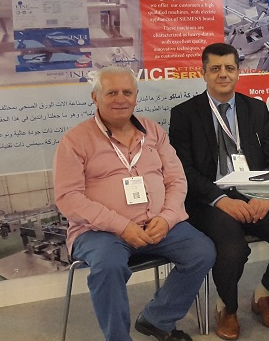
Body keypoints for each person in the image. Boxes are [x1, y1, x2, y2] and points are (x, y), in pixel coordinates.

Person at [53, 66, 216, 341]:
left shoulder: (153, 131)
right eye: (112, 93)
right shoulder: (75, 140)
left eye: (127, 92)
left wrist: (166, 218)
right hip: (99, 232)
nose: (121, 99)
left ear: (136, 96)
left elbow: (176, 180)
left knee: (202, 251)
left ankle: (157, 320)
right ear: (95, 97)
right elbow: (69, 198)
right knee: (109, 265)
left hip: (157, 224)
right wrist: (121, 225)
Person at [169, 43, 269, 341]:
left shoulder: (255, 108)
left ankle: (263, 295)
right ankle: (227, 307)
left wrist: (265, 195)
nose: (223, 74)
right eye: (215, 69)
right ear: (203, 73)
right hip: (209, 199)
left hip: (255, 192)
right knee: (232, 249)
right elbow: (183, 171)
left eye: (229, 68)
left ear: (238, 72)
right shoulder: (184, 114)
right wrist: (220, 200)